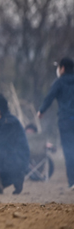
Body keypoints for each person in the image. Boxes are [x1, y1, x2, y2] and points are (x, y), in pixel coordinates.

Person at [38, 57, 74, 190]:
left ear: (62, 68)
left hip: (66, 120)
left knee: (69, 150)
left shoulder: (59, 82)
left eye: (58, 67)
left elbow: (50, 97)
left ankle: (72, 181)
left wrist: (41, 111)